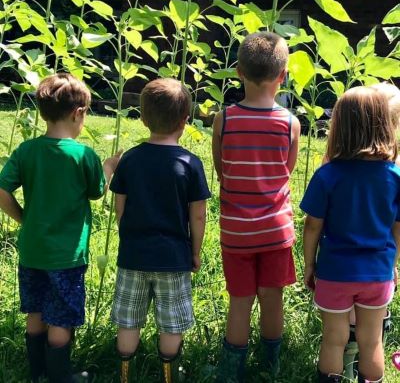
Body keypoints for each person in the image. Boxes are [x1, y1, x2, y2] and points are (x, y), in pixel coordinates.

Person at [0, 73, 120, 383]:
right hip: (66, 256)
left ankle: (36, 371)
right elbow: (97, 192)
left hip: (32, 250)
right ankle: (59, 376)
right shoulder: (83, 155)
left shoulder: (27, 151)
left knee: (35, 311)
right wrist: (108, 167)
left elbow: (1, 190)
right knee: (61, 317)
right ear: (78, 113)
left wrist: (24, 219)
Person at [212, 32, 301, 382]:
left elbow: (222, 169)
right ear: (283, 75)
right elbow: (286, 170)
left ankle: (231, 370)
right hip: (276, 230)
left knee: (240, 299)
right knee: (272, 296)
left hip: (236, 231)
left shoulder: (225, 119)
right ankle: (272, 364)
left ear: (238, 72)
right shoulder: (290, 124)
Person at [110, 78, 210, 383]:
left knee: (128, 320)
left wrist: (126, 232)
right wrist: (194, 252)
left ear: (143, 118)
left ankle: (125, 372)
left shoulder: (129, 160)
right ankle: (169, 372)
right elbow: (199, 215)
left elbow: (120, 205)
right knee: (171, 322)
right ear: (185, 121)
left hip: (133, 255)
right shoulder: (190, 163)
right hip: (173, 257)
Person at [301, 86, 400, 383]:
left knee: (334, 339)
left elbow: (312, 225)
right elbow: (398, 227)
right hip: (377, 273)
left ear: (338, 128)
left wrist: (309, 264)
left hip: (334, 272)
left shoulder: (327, 175)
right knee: (372, 341)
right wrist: (392, 264)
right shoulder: (394, 176)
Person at [342, 82, 400, 379]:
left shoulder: (337, 164)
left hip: (341, 263)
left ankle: (349, 363)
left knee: (348, 320)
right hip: (380, 263)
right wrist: (394, 262)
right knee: (374, 328)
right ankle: (367, 366)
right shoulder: (395, 170)